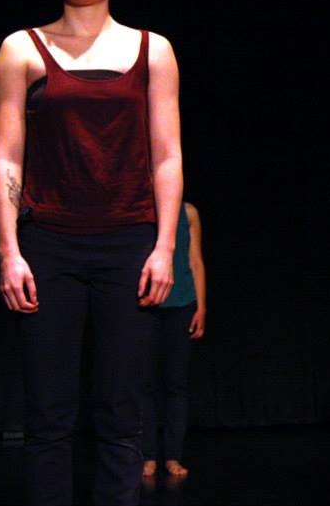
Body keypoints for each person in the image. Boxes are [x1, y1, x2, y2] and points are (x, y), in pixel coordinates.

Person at [0, 0, 183, 506]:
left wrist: (165, 247)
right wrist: (9, 251)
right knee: (48, 411)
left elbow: (167, 155)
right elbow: (6, 156)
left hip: (128, 241)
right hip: (49, 242)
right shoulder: (21, 49)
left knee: (121, 409)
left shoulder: (153, 50)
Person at [142, 201, 206, 478]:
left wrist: (201, 307)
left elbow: (195, 261)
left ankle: (172, 456)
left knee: (176, 383)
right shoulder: (140, 207)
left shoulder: (188, 212)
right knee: (143, 383)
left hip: (181, 304)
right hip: (146, 304)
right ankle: (147, 455)